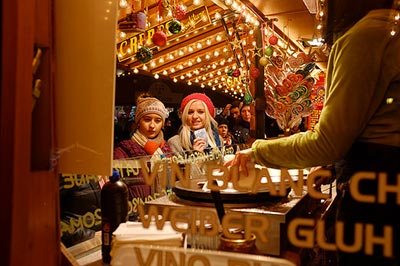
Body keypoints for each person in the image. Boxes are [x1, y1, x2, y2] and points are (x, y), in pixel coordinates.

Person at [227, 1, 400, 265]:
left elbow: (327, 142)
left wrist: (257, 151)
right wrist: (330, 167)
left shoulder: (367, 35)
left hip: (375, 190)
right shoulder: (388, 29)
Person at [113, 94, 172, 220]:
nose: (152, 125)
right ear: (138, 121)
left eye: (157, 120)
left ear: (162, 123)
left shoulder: (166, 150)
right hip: (135, 218)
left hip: (164, 216)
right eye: (147, 119)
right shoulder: (123, 152)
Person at [168, 93, 223, 177]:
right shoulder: (175, 142)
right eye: (190, 112)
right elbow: (179, 181)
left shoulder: (218, 139)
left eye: (200, 112)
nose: (195, 116)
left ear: (208, 115)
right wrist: (197, 158)